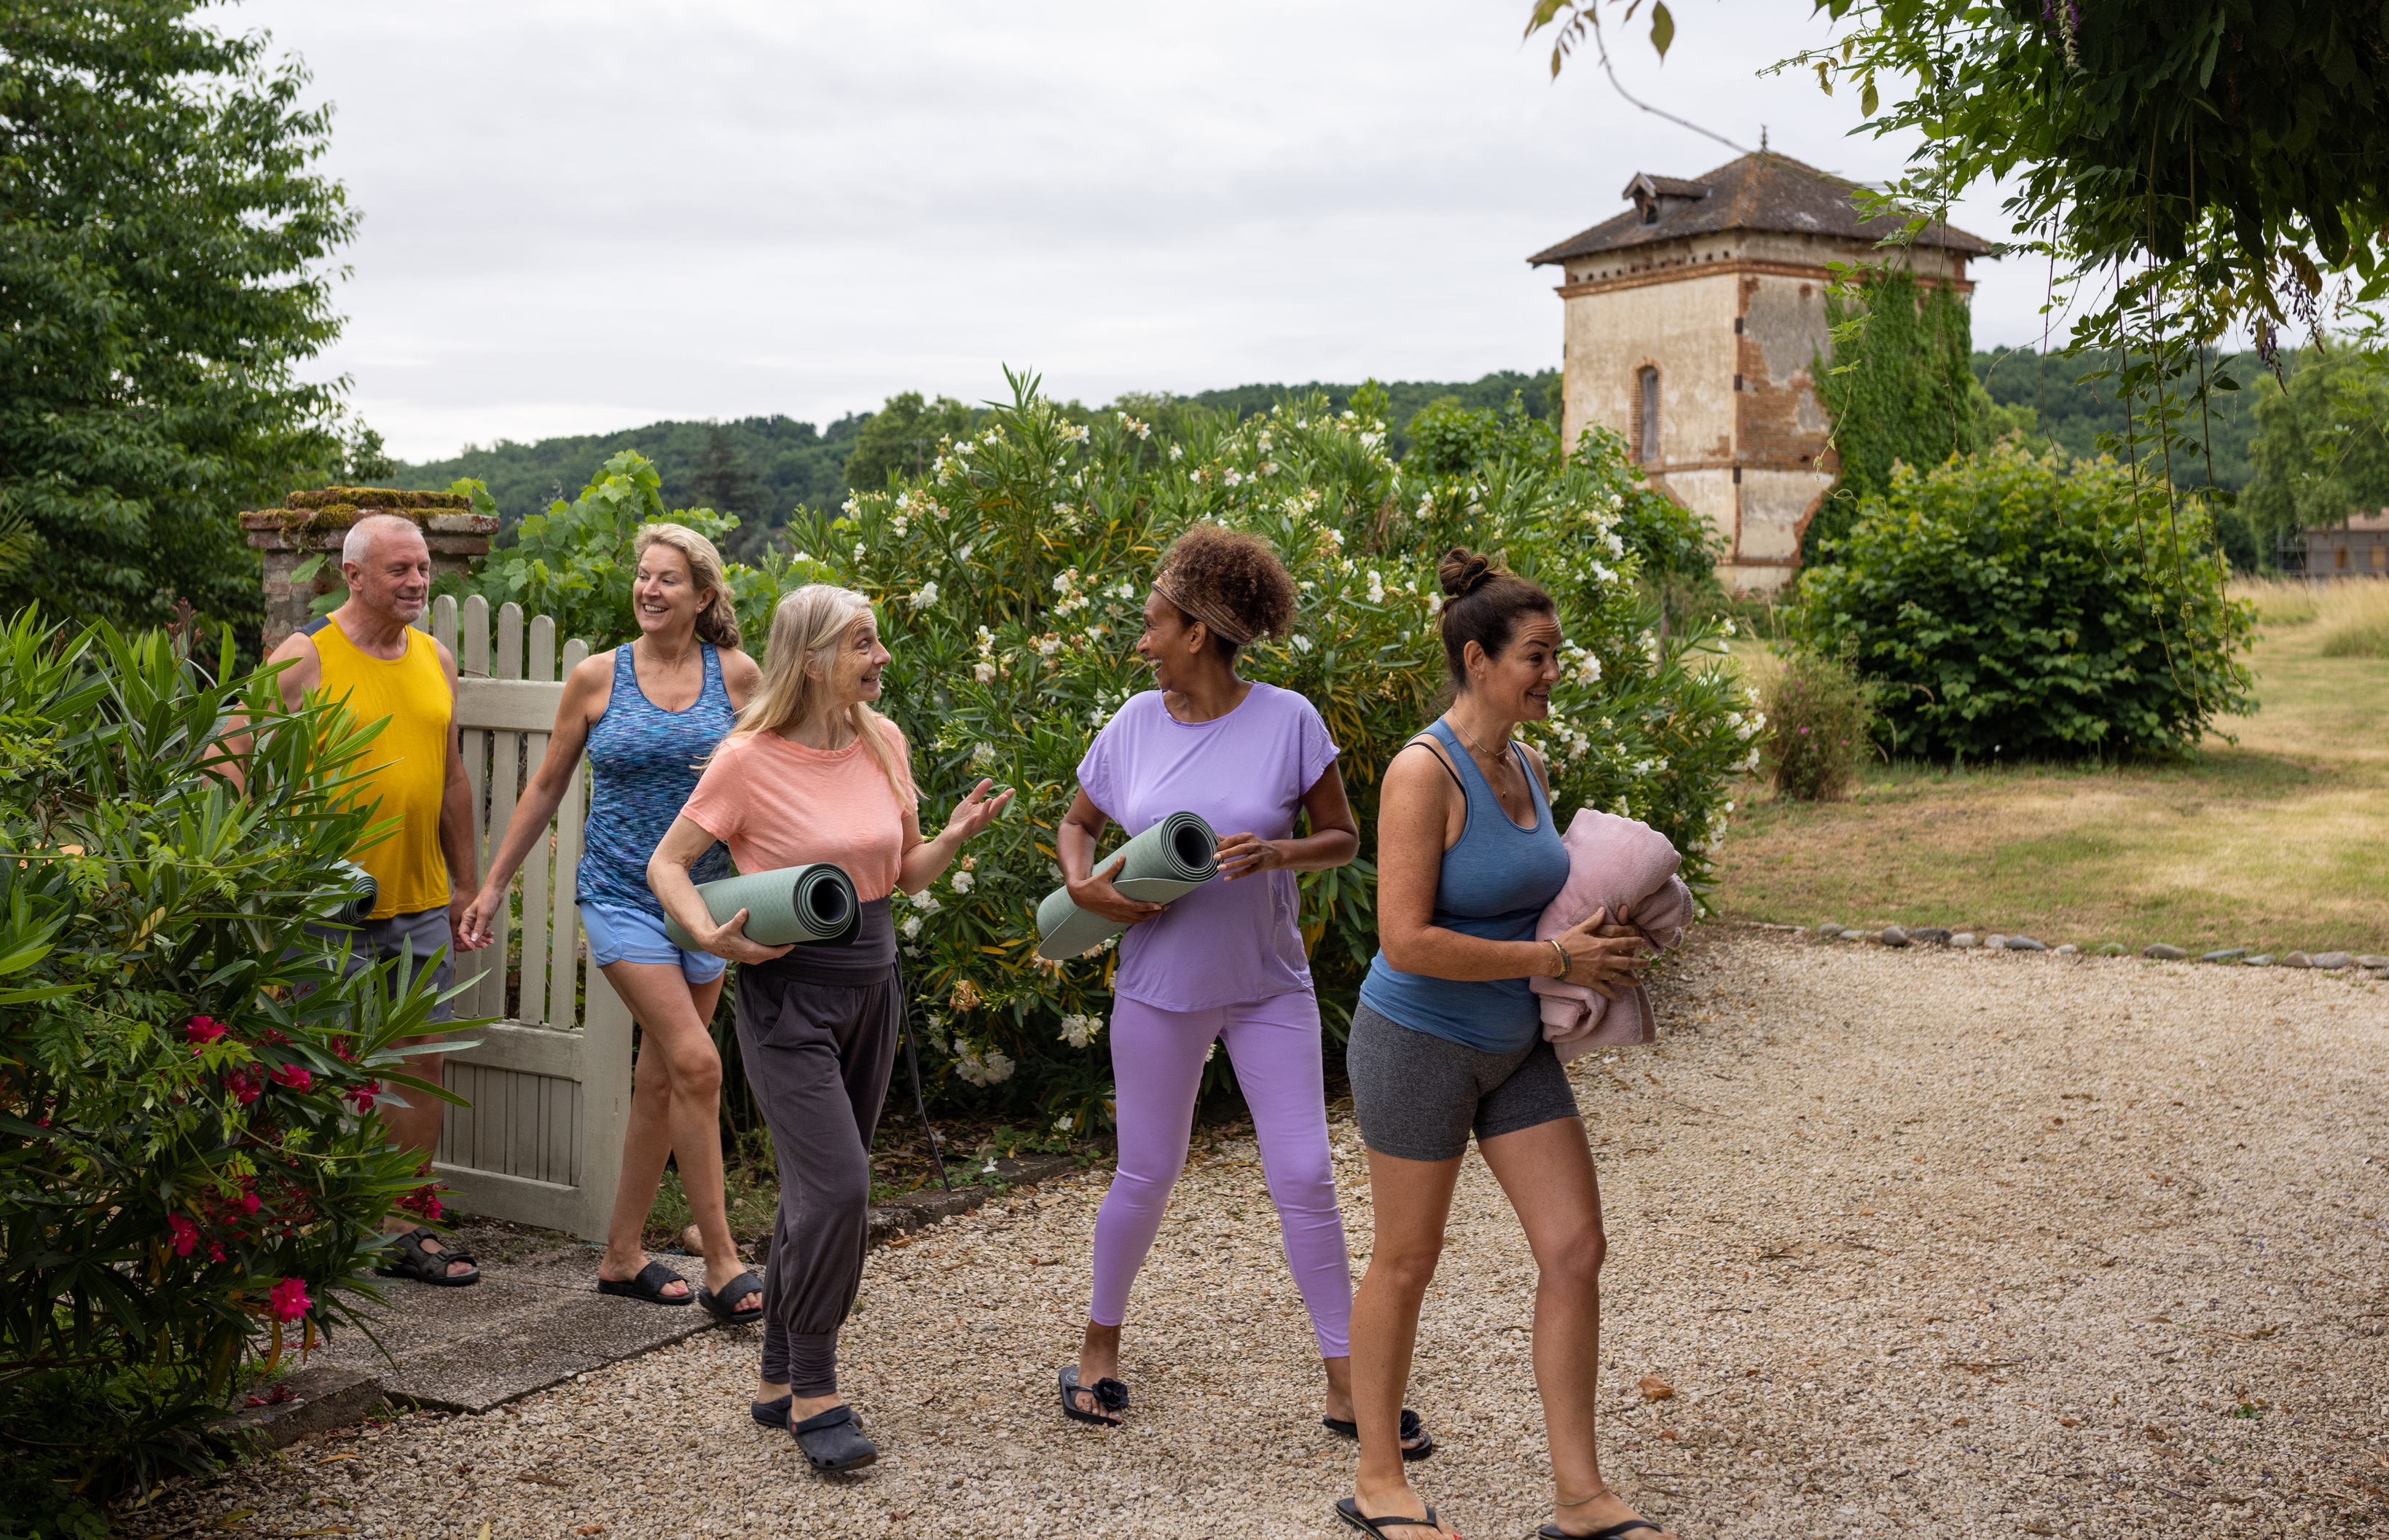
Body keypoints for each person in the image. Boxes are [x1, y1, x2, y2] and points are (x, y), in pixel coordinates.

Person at [1335, 549, 1671, 1540]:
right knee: (1406, 1259)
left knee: (1575, 1248)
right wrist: (1557, 958)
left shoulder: (1528, 763)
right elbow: (1406, 939)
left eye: (1557, 654)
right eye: (1536, 656)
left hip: (1512, 1042)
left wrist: (1607, 939)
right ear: (1477, 659)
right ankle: (1377, 1480)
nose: (1552, 673)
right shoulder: (1419, 772)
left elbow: (1540, 899)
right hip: (1417, 1042)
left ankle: (1580, 1498)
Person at [1045, 525, 1400, 1447]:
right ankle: (1096, 1349)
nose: (1143, 640)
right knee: (1146, 1173)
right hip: (1159, 985)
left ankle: (1346, 1381)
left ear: (1197, 631)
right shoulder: (1132, 723)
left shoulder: (1289, 719)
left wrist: (1279, 850)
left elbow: (1344, 837)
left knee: (1306, 1175)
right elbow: (1077, 824)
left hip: (1267, 985)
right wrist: (1082, 883)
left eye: (1154, 623)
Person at [645, 583, 1005, 1474]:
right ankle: (816, 1387)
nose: (881, 657)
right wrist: (707, 934)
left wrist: (953, 834)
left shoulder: (884, 740)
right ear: (810, 657)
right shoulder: (746, 758)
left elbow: (907, 873)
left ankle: (773, 1378)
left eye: (875, 642)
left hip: (872, 987)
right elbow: (669, 864)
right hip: (787, 994)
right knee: (841, 1187)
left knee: (817, 1192)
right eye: (862, 643)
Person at [463, 524, 764, 1319]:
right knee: (698, 1064)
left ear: (703, 596)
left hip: (704, 906)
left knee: (661, 1077)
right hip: (621, 897)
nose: (649, 590)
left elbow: (774, 777)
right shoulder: (599, 678)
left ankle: (622, 1252)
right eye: (643, 576)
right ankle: (724, 1261)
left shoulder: (736, 676)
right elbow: (544, 787)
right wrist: (493, 885)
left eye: (668, 579)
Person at [244, 512, 485, 1289]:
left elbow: (449, 778)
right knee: (310, 1069)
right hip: (324, 909)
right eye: (399, 570)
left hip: (418, 900)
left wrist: (467, 885)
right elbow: (229, 753)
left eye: (422, 568)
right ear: (353, 575)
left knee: (417, 1068)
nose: (418, 582)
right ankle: (302, 1225)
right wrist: (242, 873)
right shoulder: (304, 658)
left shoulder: (435, 658)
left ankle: (403, 1226)